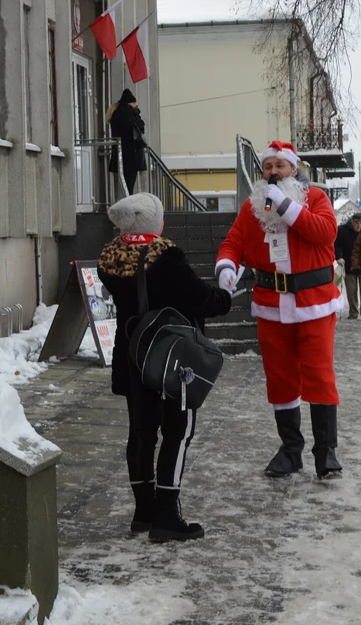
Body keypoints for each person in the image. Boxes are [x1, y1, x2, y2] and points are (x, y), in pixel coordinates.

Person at [98, 193, 232, 542]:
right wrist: (225, 296)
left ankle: (143, 510)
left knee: (141, 432)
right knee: (177, 431)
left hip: (132, 356)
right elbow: (200, 299)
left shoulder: (109, 258)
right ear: (154, 222)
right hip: (171, 360)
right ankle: (167, 516)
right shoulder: (165, 256)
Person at [215, 141, 346, 479]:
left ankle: (325, 451)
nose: (273, 172)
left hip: (314, 304)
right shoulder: (252, 208)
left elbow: (326, 232)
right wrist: (227, 266)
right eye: (268, 167)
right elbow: (233, 241)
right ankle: (290, 450)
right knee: (281, 378)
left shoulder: (314, 198)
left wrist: (286, 207)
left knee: (319, 374)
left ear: (293, 169)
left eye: (280, 166)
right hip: (271, 306)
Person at [108, 89, 147, 196]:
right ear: (130, 103)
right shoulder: (128, 114)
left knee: (123, 183)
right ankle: (126, 205)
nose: (136, 106)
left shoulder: (117, 113)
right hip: (130, 155)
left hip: (122, 154)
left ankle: (124, 202)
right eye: (134, 103)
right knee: (128, 184)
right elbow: (137, 126)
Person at [335, 213, 361, 320]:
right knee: (351, 291)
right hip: (349, 264)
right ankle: (353, 312)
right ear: (351, 222)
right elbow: (336, 245)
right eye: (356, 223)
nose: (358, 225)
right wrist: (338, 257)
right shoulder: (342, 230)